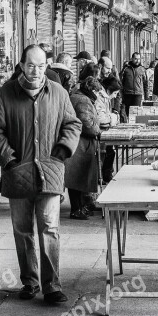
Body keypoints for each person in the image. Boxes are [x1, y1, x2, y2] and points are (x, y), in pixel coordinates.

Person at [0, 45, 81, 305]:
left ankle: (52, 286)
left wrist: (62, 150)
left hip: (50, 172)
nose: (36, 71)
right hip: (18, 174)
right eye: (31, 65)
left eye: (41, 66)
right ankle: (30, 281)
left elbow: (73, 123)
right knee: (23, 230)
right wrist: (9, 159)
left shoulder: (58, 92)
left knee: (50, 228)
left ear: (46, 66)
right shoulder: (6, 93)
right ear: (21, 65)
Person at [65, 76, 102, 220]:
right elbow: (87, 124)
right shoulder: (83, 101)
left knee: (76, 179)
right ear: (92, 90)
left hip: (76, 143)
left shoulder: (77, 96)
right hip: (80, 145)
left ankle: (80, 207)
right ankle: (77, 209)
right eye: (97, 92)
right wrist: (98, 130)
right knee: (78, 179)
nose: (98, 95)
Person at [96, 75, 122, 183]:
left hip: (104, 130)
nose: (115, 96)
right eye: (115, 93)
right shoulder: (100, 97)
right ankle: (104, 177)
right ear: (109, 90)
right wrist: (113, 117)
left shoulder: (104, 96)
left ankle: (106, 176)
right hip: (99, 131)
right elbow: (101, 118)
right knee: (108, 152)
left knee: (110, 151)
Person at [121, 52, 148, 117]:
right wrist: (121, 95)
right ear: (132, 59)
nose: (137, 61)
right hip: (127, 94)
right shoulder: (126, 69)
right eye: (135, 59)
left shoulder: (142, 69)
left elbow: (145, 83)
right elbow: (121, 82)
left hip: (138, 94)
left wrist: (146, 96)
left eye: (139, 59)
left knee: (136, 113)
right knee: (128, 113)